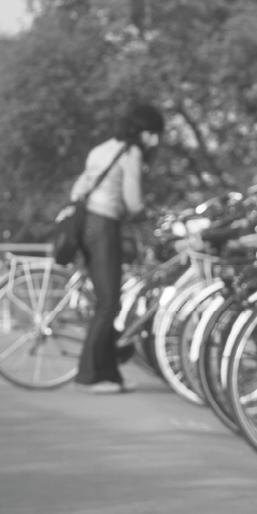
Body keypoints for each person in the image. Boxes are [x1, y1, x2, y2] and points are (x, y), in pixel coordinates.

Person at [71, 103, 164, 393]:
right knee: (109, 302)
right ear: (143, 132)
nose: (156, 141)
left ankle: (110, 375)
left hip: (85, 225)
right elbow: (134, 202)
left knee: (108, 300)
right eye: (154, 134)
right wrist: (153, 215)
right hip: (103, 226)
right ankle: (87, 376)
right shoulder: (131, 153)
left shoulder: (103, 148)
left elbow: (78, 189)